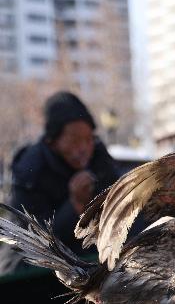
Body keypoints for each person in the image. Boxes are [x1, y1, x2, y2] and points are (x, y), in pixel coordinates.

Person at [9, 91, 120, 253]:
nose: (84, 149)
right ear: (52, 141)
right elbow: (35, 243)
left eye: (89, 139)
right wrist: (75, 204)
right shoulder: (30, 170)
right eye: (74, 140)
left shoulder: (99, 157)